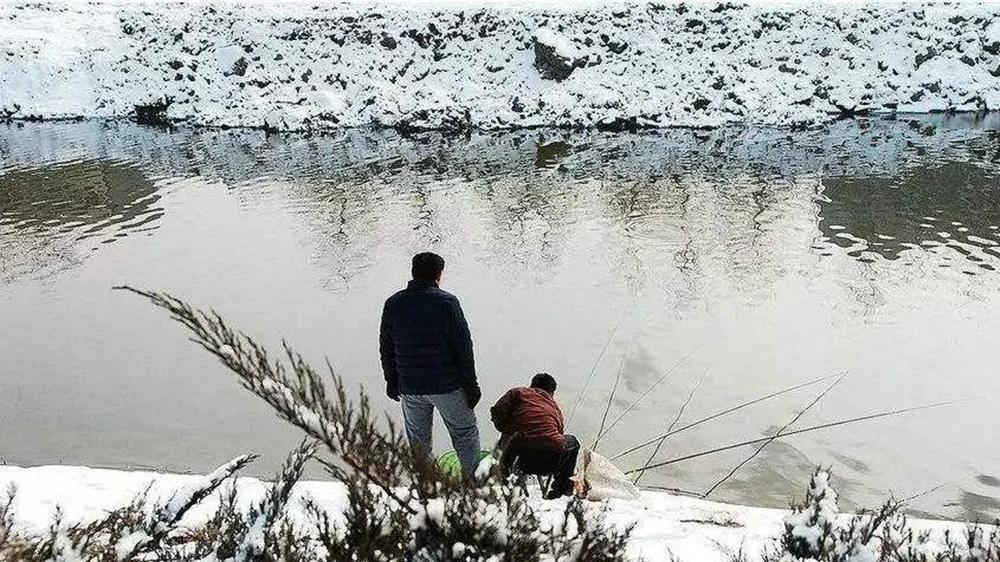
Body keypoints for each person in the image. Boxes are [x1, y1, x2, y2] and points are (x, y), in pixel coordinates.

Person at [379, 252, 483, 478]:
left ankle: (424, 488)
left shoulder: (393, 303)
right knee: (465, 433)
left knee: (418, 443)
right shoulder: (447, 302)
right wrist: (471, 385)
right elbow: (463, 346)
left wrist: (392, 381)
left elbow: (386, 346)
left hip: (410, 386)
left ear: (413, 272)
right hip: (448, 385)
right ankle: (474, 489)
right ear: (439, 274)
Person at [490, 373, 580, 499]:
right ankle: (561, 491)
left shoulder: (518, 392)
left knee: (510, 436)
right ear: (552, 393)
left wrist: (506, 429)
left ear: (531, 385)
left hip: (519, 459)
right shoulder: (554, 408)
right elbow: (559, 434)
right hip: (550, 463)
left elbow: (498, 412)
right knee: (572, 442)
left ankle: (502, 483)